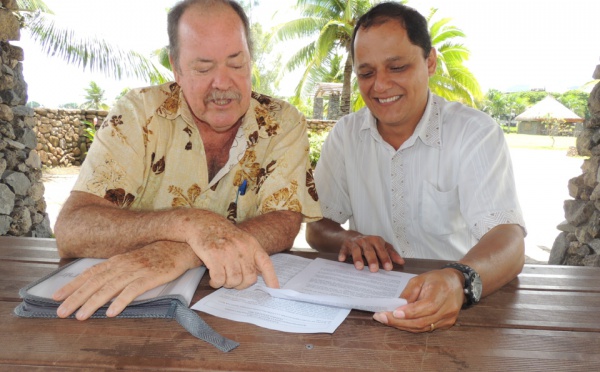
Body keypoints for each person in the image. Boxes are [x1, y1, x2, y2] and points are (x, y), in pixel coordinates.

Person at [52, 0, 321, 321]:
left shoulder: (282, 122)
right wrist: (186, 223)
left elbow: (284, 222)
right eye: (203, 68)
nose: (222, 83)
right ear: (176, 68)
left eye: (236, 63)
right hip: (128, 311)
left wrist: (183, 250)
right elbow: (71, 230)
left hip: (240, 312)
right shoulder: (138, 114)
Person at [306, 2, 526, 333]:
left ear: (430, 62)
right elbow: (317, 226)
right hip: (369, 313)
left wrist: (457, 280)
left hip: (462, 310)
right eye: (366, 73)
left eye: (397, 67)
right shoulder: (346, 135)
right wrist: (347, 239)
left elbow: (509, 239)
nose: (379, 86)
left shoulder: (473, 132)